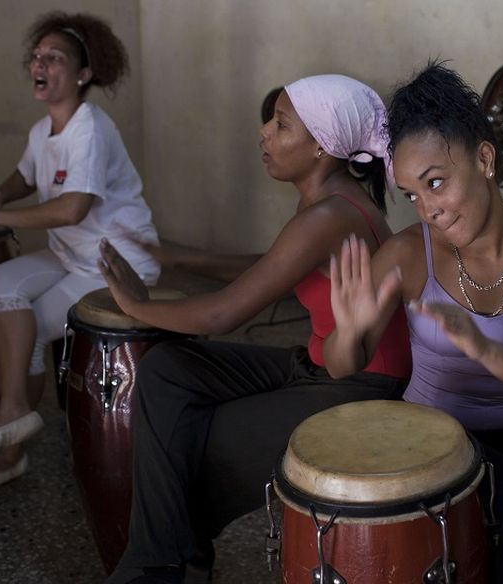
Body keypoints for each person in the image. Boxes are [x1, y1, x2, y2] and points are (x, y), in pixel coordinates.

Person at [97, 74, 412, 584]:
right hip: (317, 364)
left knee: (198, 437)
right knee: (168, 369)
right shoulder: (329, 199)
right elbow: (274, 264)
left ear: (321, 148)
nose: (264, 133)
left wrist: (136, 305)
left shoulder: (330, 214)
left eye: (281, 124)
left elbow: (224, 315)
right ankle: (173, 556)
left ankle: (161, 565)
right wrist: (179, 257)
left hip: (358, 385)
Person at [324, 62, 503, 582]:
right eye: (411, 194)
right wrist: (348, 330)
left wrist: (484, 348)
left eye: (436, 183)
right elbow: (341, 366)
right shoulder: (407, 253)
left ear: (485, 159)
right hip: (424, 445)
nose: (428, 209)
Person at [0, 12, 160, 496]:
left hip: (116, 263)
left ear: (84, 74)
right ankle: (14, 420)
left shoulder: (90, 125)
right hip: (72, 256)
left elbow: (73, 208)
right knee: (4, 282)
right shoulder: (44, 130)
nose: (40, 64)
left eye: (55, 58)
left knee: (24, 332)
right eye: (37, 56)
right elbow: (26, 175)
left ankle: (8, 447)